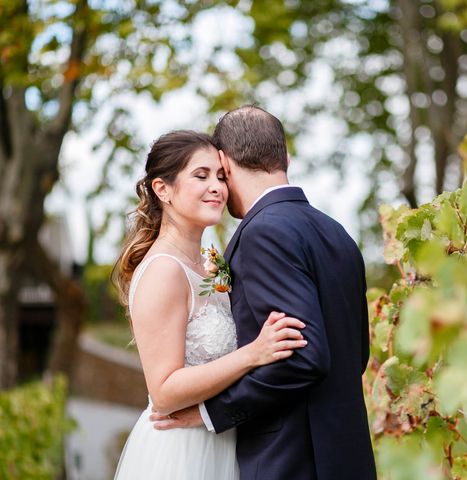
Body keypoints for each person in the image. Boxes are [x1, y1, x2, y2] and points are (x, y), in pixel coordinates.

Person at [152, 106, 377, 479]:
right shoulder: (336, 233)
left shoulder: (263, 233)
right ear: (284, 156)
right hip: (345, 454)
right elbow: (356, 352)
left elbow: (302, 358)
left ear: (224, 161)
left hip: (291, 461)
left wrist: (213, 412)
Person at [111, 130, 307, 479]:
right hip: (182, 451)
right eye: (200, 176)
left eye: (220, 176)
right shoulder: (163, 271)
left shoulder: (211, 264)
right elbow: (165, 391)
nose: (216, 187)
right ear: (163, 189)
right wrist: (253, 354)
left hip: (225, 440)